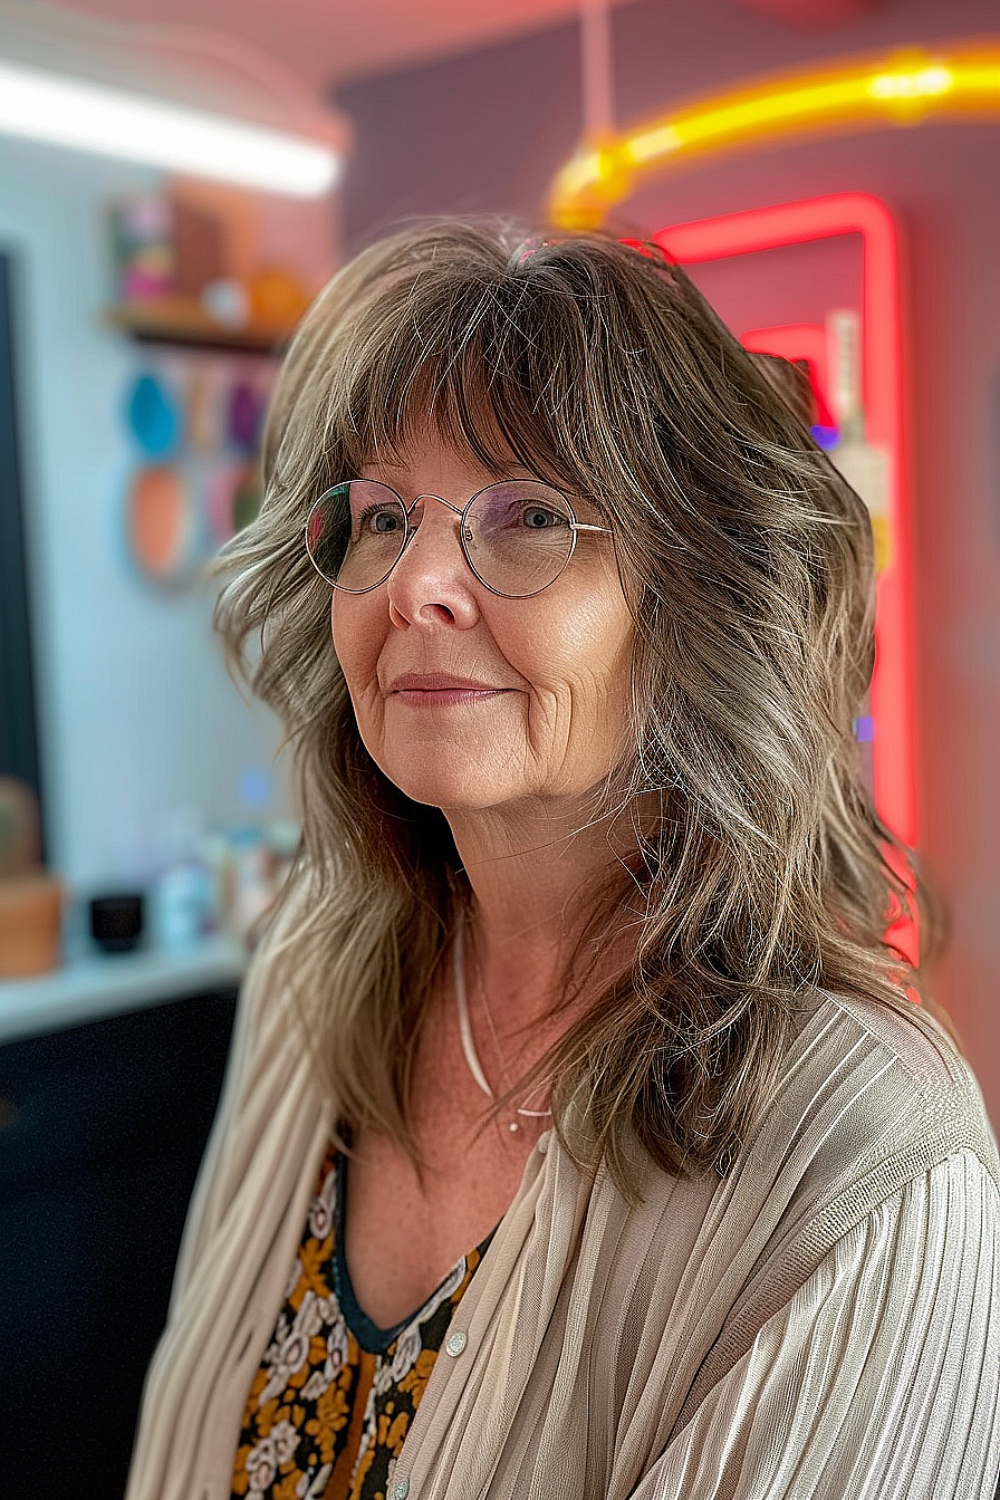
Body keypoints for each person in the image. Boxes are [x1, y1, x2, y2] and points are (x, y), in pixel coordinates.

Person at [125, 220, 999, 1500]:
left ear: (699, 600)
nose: (416, 582)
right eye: (377, 517)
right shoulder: (316, 973)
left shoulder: (866, 1165)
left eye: (529, 514)